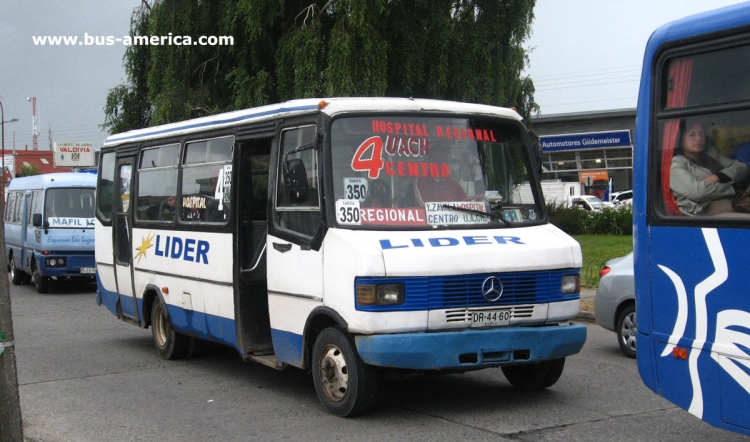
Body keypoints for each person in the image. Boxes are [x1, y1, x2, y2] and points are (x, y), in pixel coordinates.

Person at [670, 119, 750, 216]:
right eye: (692, 134)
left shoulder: (711, 154)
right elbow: (698, 192)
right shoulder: (676, 163)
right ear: (680, 141)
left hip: (739, 199)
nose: (699, 138)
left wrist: (718, 177)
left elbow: (742, 167)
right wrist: (731, 186)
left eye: (701, 134)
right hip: (707, 209)